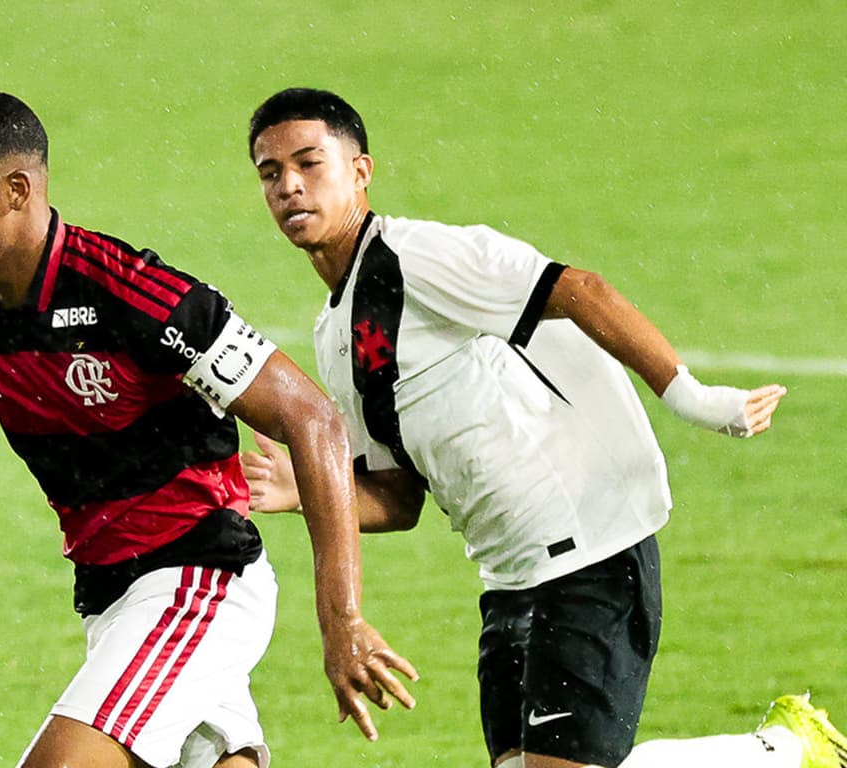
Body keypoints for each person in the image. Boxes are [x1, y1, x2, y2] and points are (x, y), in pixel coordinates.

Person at [241, 87, 845, 768]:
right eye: (270, 173)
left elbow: (582, 290)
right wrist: (305, 489)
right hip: (509, 578)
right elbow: (399, 497)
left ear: (360, 170)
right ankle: (778, 750)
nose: (290, 186)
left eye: (309, 163)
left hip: (592, 552)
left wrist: (692, 399)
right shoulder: (336, 333)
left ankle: (784, 750)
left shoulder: (420, 257)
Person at [0, 89, 417, 768]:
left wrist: (342, 617)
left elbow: (311, 418)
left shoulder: (132, 293)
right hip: (108, 595)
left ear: (17, 190)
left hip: (199, 577)